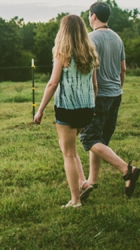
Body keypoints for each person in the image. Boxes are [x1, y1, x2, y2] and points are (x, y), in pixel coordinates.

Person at [34, 14, 99, 208]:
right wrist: (92, 106)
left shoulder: (62, 54)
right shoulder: (90, 54)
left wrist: (40, 110)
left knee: (68, 154)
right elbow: (94, 85)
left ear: (63, 31)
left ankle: (75, 200)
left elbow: (53, 83)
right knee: (67, 147)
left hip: (67, 109)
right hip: (86, 109)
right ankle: (83, 182)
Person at [79, 1, 140, 200]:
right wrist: (119, 88)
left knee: (88, 138)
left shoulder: (89, 39)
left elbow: (89, 73)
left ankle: (126, 169)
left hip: (99, 95)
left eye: (89, 15)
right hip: (115, 94)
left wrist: (89, 100)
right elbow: (123, 69)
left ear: (93, 16)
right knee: (100, 138)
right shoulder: (117, 38)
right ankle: (93, 180)